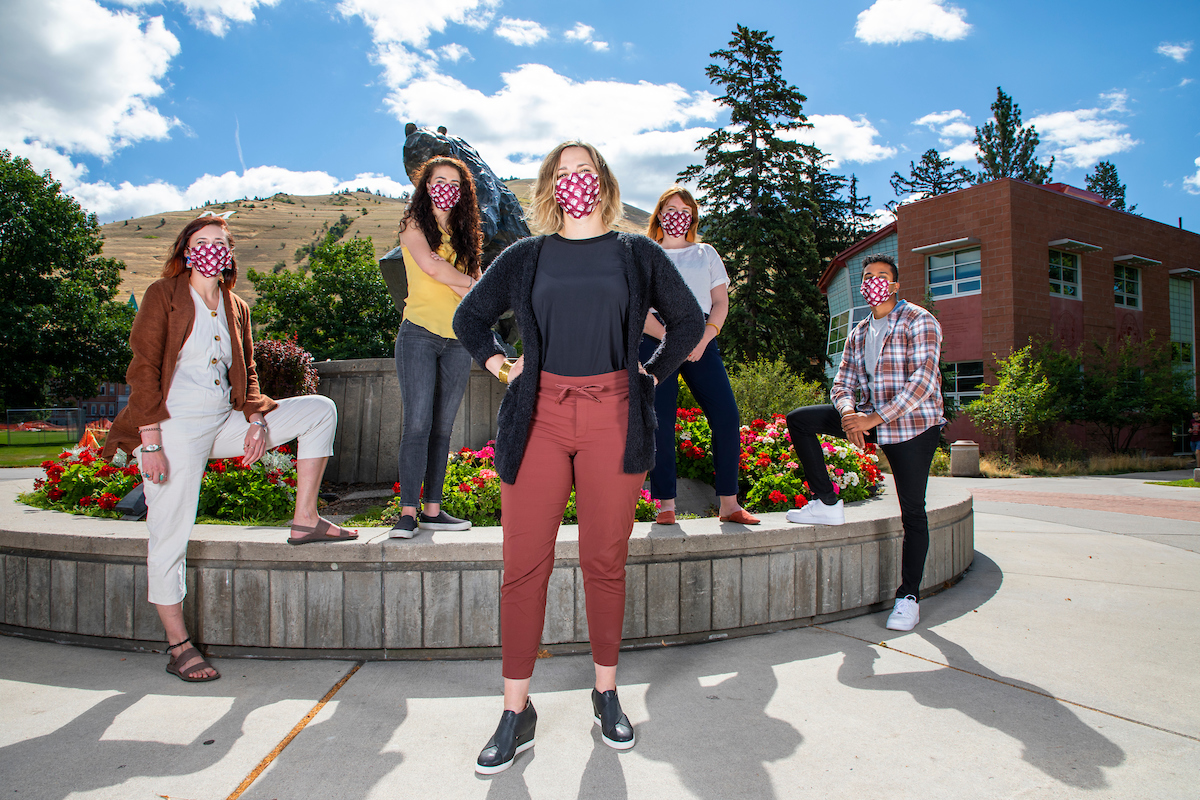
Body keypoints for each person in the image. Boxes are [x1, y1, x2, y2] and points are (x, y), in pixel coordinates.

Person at [453, 141, 704, 774]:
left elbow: (687, 319)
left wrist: (649, 372)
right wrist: (499, 364)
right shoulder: (526, 256)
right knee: (523, 565)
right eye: (561, 174)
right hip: (538, 416)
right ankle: (516, 711)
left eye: (583, 172)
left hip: (613, 415)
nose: (574, 183)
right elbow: (470, 317)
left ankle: (606, 692)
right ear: (548, 186)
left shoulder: (635, 253)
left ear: (603, 181)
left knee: (604, 561)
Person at [102, 215, 346, 683]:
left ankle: (305, 520)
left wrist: (255, 419)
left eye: (220, 242)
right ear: (187, 250)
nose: (212, 248)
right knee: (169, 533)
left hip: (225, 419)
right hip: (171, 427)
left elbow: (248, 370)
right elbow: (143, 369)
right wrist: (149, 441)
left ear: (229, 253)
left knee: (319, 410)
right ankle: (179, 646)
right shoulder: (164, 295)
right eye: (202, 241)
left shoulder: (236, 305)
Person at [783, 253, 944, 633]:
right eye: (868, 276)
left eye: (882, 276)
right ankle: (826, 502)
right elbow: (842, 383)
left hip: (913, 425)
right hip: (869, 416)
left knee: (913, 512)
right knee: (799, 421)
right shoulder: (858, 332)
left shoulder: (919, 320)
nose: (874, 281)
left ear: (896, 284)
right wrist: (848, 415)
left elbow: (922, 382)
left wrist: (872, 419)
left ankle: (908, 598)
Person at [641, 187, 758, 525]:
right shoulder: (647, 255)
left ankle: (729, 504)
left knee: (726, 415)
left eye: (685, 209)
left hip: (701, 339)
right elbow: (637, 310)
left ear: (692, 216)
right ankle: (665, 506)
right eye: (670, 208)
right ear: (660, 213)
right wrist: (672, 339)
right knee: (660, 421)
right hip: (655, 340)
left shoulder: (706, 253)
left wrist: (703, 337)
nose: (677, 214)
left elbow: (720, 303)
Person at [390, 156, 484, 538]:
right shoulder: (413, 225)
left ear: (463, 192)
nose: (445, 187)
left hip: (458, 340)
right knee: (417, 424)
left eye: (454, 182)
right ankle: (407, 514)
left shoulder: (466, 237)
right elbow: (432, 268)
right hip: (419, 334)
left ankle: (432, 510)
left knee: (443, 429)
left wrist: (467, 285)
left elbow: (471, 284)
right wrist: (471, 286)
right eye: (438, 180)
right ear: (425, 186)